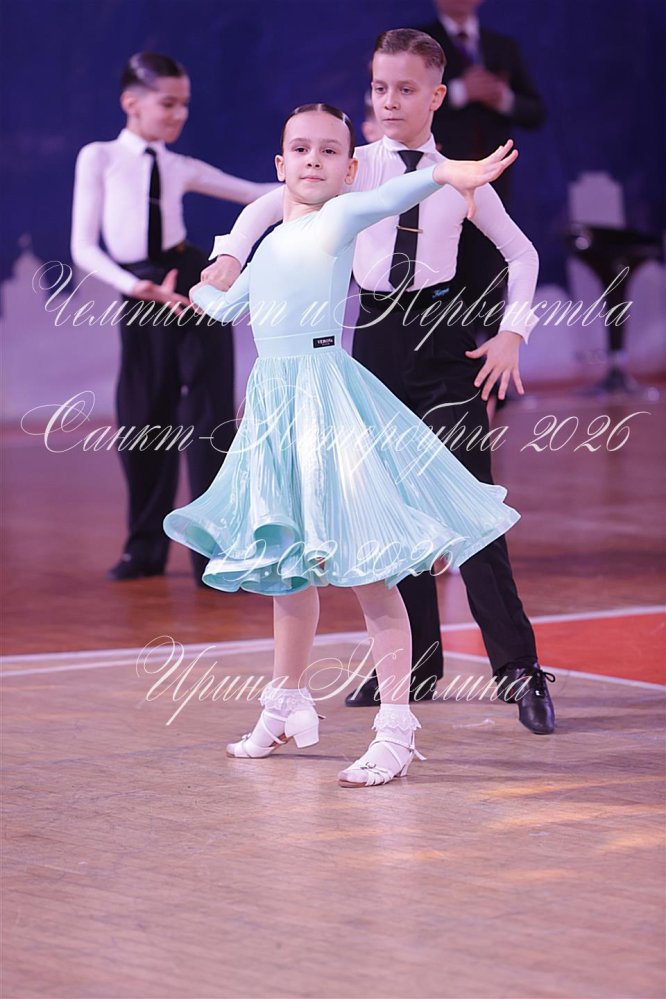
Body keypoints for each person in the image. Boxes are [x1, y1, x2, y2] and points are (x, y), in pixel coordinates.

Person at [199, 30, 556, 735]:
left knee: (469, 505)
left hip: (446, 344)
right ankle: (417, 663)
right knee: (387, 514)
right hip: (371, 346)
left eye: (405, 89)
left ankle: (518, 668)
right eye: (379, 88)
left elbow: (522, 253)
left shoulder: (458, 174)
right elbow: (269, 204)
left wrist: (513, 331)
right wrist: (230, 254)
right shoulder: (352, 165)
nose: (389, 101)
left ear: (437, 95)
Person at [163, 104, 520, 788]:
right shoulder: (272, 241)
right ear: (280, 164)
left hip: (325, 403)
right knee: (288, 567)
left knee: (366, 568)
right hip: (275, 410)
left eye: (329, 151)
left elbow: (388, 198)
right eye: (301, 149)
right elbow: (229, 306)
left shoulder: (338, 220)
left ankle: (396, 728)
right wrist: (199, 285)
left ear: (350, 169)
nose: (314, 160)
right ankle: (285, 702)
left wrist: (443, 173)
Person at [70, 51, 277, 585]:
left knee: (209, 418)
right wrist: (134, 286)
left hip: (190, 286)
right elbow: (83, 247)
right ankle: (144, 549)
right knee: (143, 420)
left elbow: (257, 195)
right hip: (141, 292)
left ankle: (215, 553)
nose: (179, 114)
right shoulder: (99, 157)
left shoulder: (180, 166)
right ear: (131, 102)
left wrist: (332, 178)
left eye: (184, 104)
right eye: (168, 103)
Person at [421, 0, 546, 418]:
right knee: (446, 275)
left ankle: (496, 379)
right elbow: (404, 102)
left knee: (492, 275)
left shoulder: (501, 46)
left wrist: (501, 96)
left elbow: (534, 110)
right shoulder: (422, 41)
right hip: (438, 184)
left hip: (493, 184)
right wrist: (460, 91)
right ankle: (448, 378)